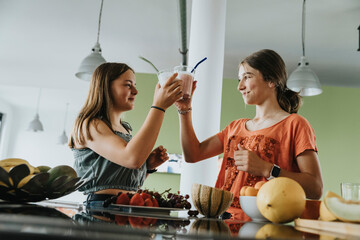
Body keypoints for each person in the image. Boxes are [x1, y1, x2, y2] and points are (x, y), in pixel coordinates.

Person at [175, 49, 323, 219]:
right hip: (223, 225)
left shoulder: (295, 124)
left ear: (271, 80)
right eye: (240, 79)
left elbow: (315, 188)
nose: (240, 86)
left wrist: (267, 169)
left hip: (265, 228)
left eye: (247, 77)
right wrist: (184, 110)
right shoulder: (235, 127)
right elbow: (193, 154)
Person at [69, 62, 183, 205]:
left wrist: (147, 167)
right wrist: (159, 107)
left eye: (134, 85)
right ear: (106, 87)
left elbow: (126, 182)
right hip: (102, 209)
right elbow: (132, 159)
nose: (135, 91)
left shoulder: (125, 129)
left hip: (127, 206)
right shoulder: (91, 124)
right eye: (128, 85)